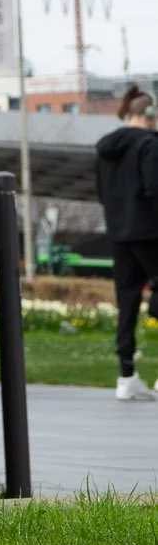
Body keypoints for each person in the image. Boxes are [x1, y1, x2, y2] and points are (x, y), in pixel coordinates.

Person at [94, 88, 158, 400]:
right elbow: (154, 188)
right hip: (150, 232)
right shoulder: (150, 145)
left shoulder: (106, 150)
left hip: (119, 232)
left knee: (127, 300)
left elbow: (101, 193)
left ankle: (127, 375)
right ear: (149, 116)